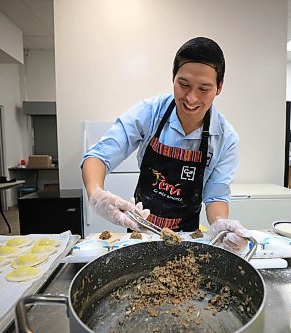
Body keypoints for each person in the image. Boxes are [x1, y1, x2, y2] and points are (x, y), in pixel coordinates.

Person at [82, 37, 249, 253]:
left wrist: (221, 226)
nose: (191, 98)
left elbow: (216, 195)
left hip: (188, 237)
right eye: (184, 84)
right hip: (139, 232)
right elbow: (98, 156)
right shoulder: (150, 113)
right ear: (173, 78)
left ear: (219, 87)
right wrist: (96, 194)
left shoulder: (225, 138)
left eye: (204, 89)